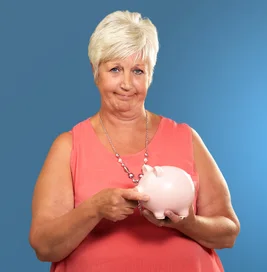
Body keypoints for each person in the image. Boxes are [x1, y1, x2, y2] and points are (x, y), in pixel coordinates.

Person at [28, 10, 240, 272]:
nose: (127, 83)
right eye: (115, 69)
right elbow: (44, 246)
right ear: (96, 72)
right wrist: (95, 209)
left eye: (138, 71)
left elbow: (229, 232)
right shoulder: (69, 146)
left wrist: (186, 223)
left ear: (149, 76)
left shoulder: (186, 137)